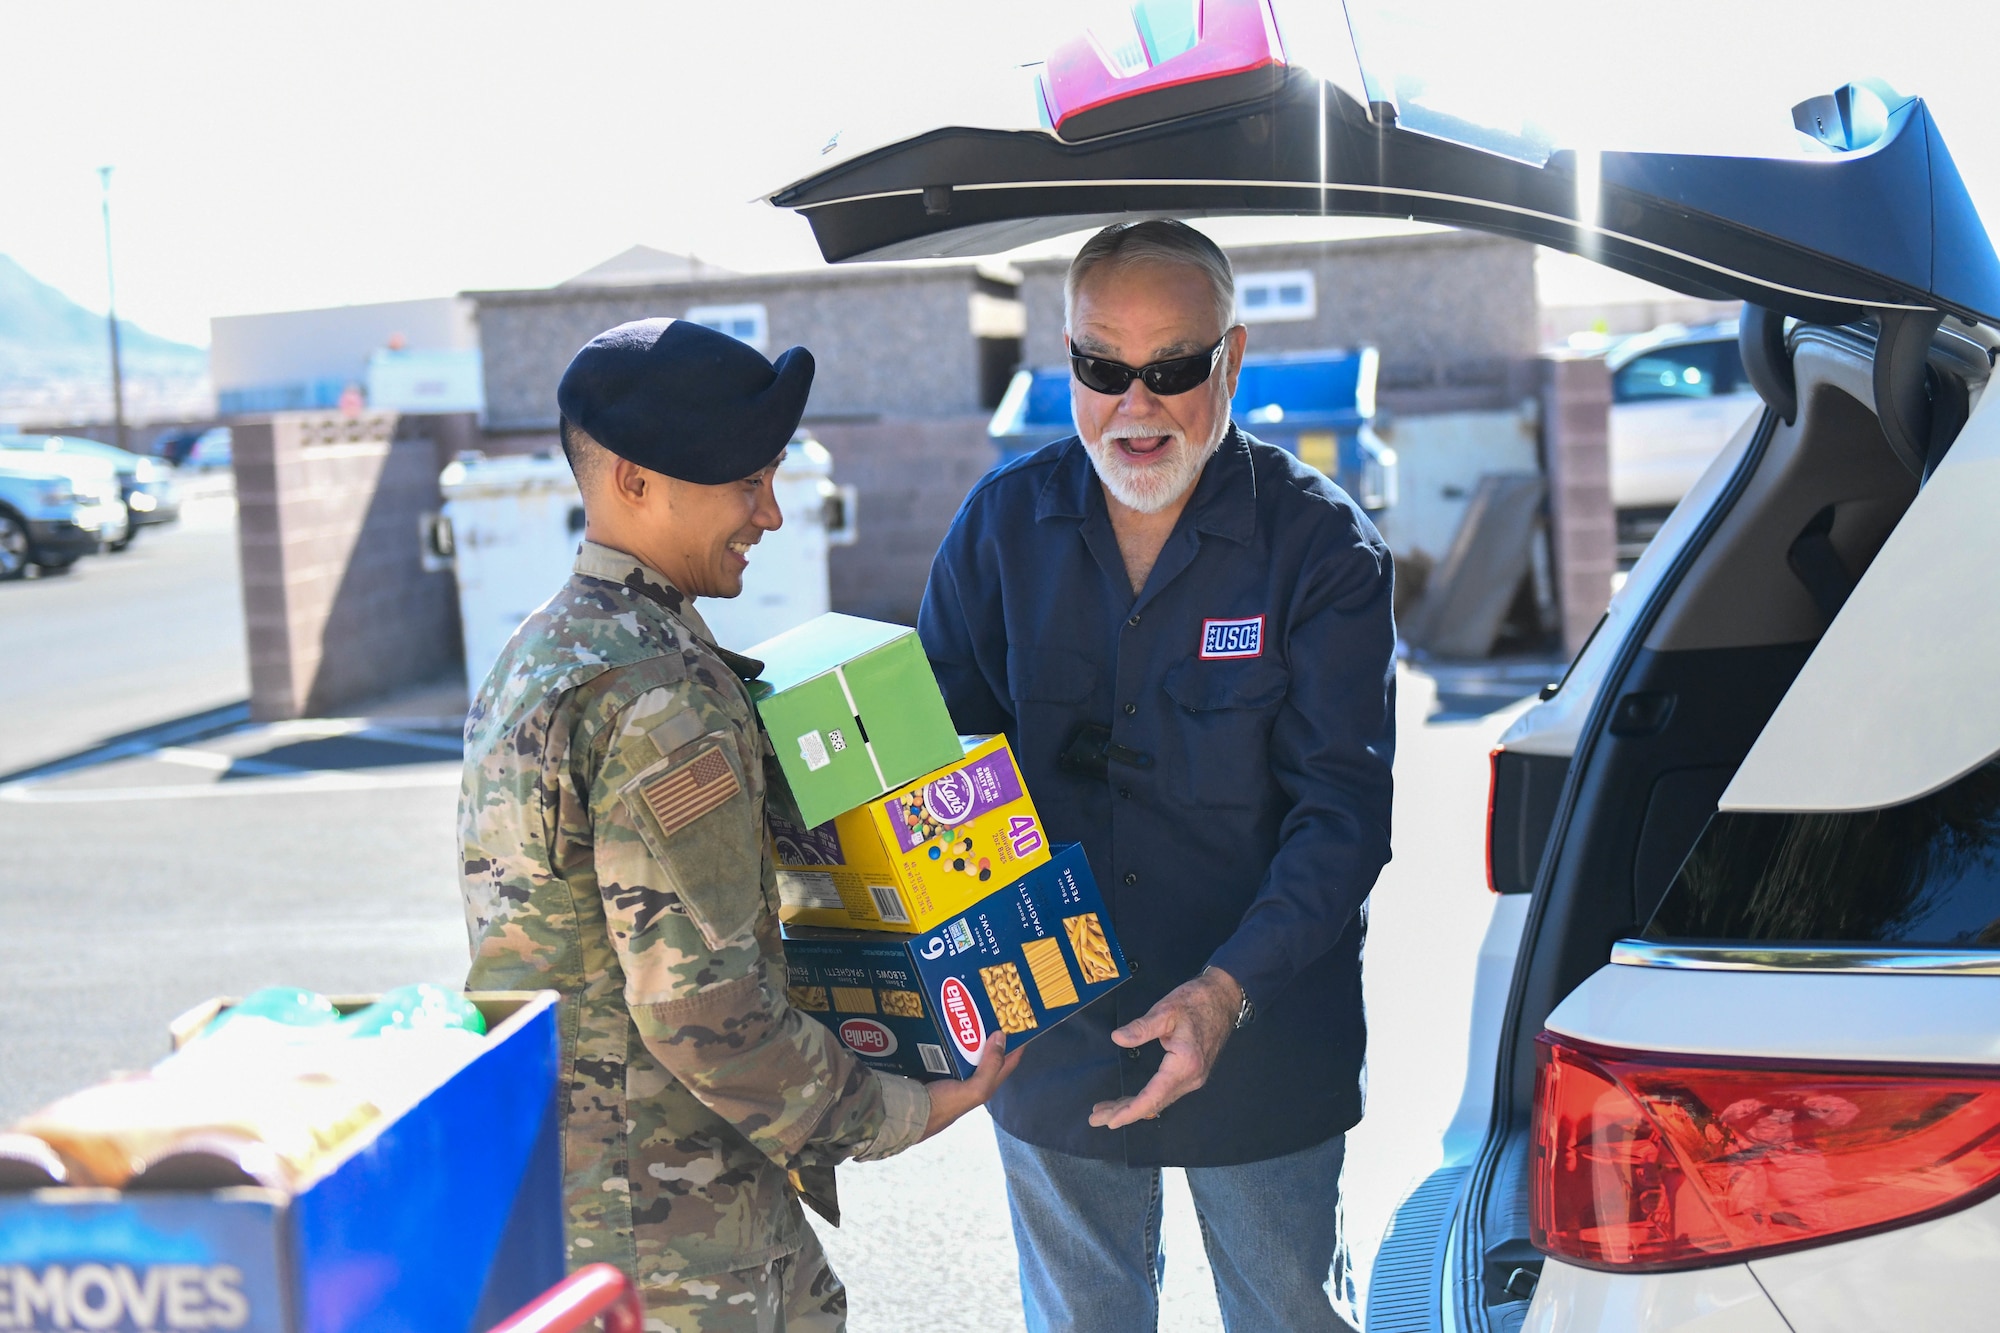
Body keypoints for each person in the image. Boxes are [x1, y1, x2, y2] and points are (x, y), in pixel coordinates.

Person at [460, 318, 1018, 1331]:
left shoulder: (541, 650)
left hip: (577, 1199)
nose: (767, 512)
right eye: (742, 482)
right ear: (632, 481)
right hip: (672, 1226)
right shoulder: (660, 694)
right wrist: (910, 1107)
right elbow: (704, 1011)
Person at [918, 221, 1396, 1332]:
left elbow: (1341, 816)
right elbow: (932, 776)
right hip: (1047, 1039)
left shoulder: (1321, 550)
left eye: (1173, 368)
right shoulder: (998, 529)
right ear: (1067, 360)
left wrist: (1225, 992)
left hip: (1263, 1034)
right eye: (1101, 367)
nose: (1135, 406)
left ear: (1229, 362)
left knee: (1287, 1312)